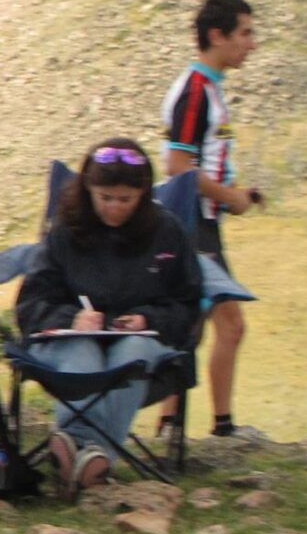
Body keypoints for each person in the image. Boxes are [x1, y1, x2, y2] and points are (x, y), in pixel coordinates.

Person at [16, 140, 203, 495]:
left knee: (131, 355)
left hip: (142, 341)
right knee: (81, 352)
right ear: (88, 190)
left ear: (143, 195)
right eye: (105, 197)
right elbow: (33, 301)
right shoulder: (66, 229)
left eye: (125, 199)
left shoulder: (167, 231)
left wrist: (147, 320)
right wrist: (73, 318)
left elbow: (188, 303)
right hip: (71, 339)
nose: (114, 207)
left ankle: (74, 449)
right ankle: (94, 461)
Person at [160, 0, 265, 442]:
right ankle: (218, 428)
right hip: (191, 223)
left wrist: (234, 196)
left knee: (195, 325)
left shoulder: (209, 88)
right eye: (245, 33)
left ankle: (171, 424)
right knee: (226, 323)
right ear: (217, 35)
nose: (252, 44)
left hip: (203, 219)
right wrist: (230, 197)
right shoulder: (197, 91)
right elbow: (178, 167)